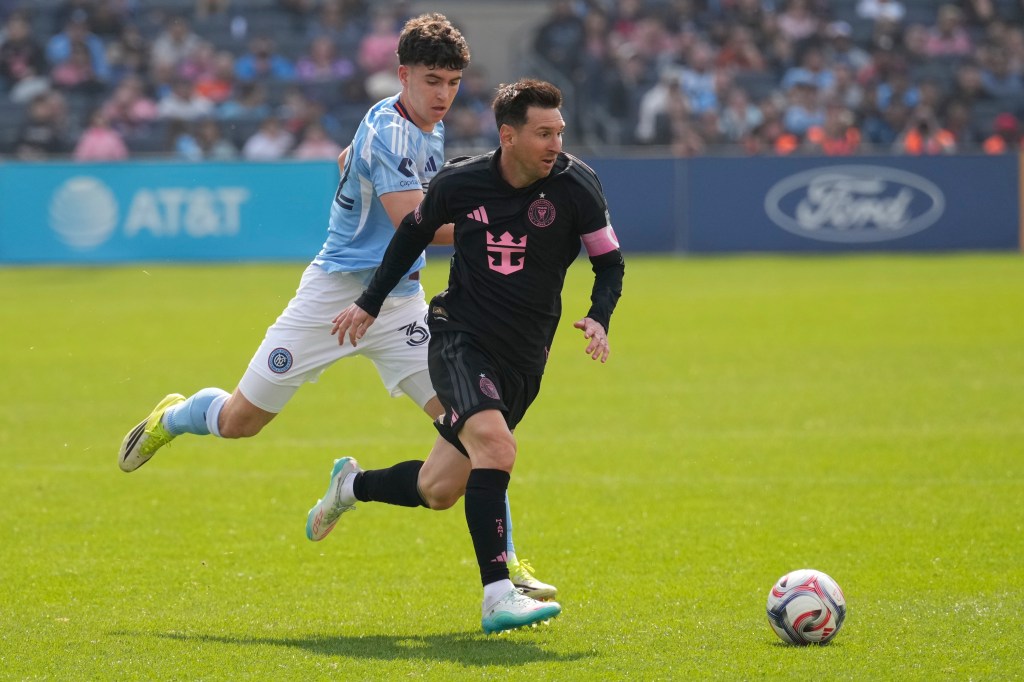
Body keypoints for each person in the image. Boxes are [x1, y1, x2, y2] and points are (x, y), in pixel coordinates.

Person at [116, 13, 555, 601]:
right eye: (432, 81)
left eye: (452, 82)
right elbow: (413, 223)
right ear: (402, 75)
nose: (443, 95)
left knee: (479, 427)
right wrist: (505, 219)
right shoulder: (393, 131)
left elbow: (363, 168)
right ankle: (175, 415)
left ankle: (506, 568)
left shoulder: (418, 124)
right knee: (239, 422)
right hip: (333, 296)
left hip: (398, 303)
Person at [319, 78, 624, 634]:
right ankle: (498, 594)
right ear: (507, 136)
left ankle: (351, 486)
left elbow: (610, 263)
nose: (556, 144)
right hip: (461, 337)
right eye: (542, 133)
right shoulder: (461, 182)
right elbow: (409, 237)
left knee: (439, 489)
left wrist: (599, 317)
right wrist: (369, 302)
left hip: (526, 355)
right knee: (497, 446)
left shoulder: (579, 185)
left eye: (559, 132)